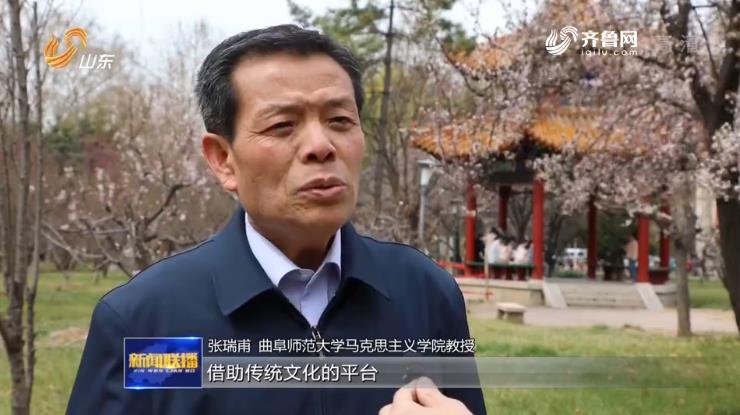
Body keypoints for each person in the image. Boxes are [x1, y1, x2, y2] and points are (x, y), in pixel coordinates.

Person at [66, 25, 485, 415]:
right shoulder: (147, 324)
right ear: (223, 159)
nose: (321, 146)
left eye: (340, 120)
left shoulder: (425, 295)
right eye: (283, 125)